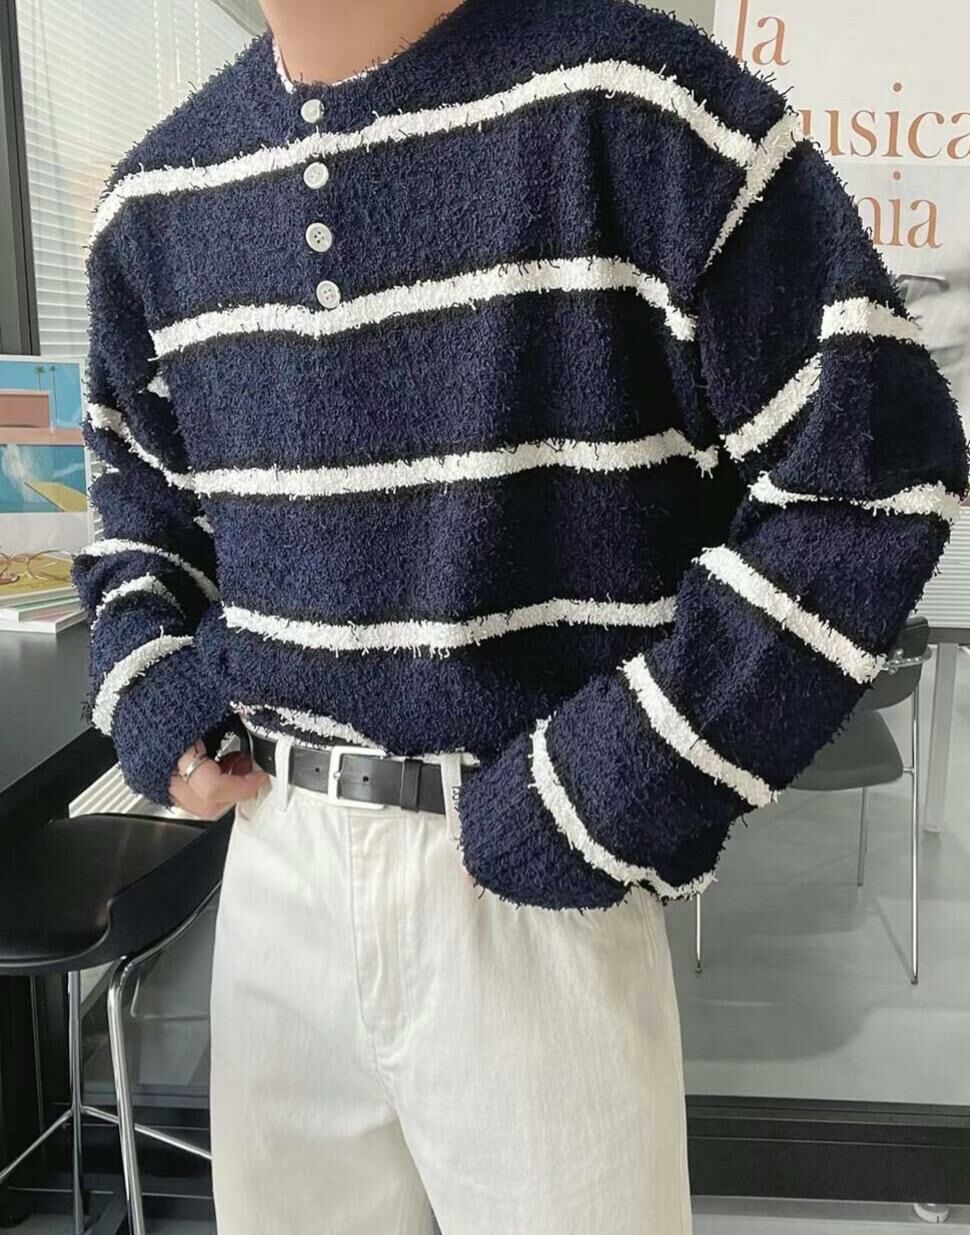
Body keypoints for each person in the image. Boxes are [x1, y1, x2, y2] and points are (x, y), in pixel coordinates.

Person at [73, 0, 970, 1230]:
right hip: (275, 867)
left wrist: (618, 777)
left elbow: (872, 475)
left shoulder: (636, 106)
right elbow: (138, 510)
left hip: (534, 869)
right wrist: (147, 673)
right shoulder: (155, 201)